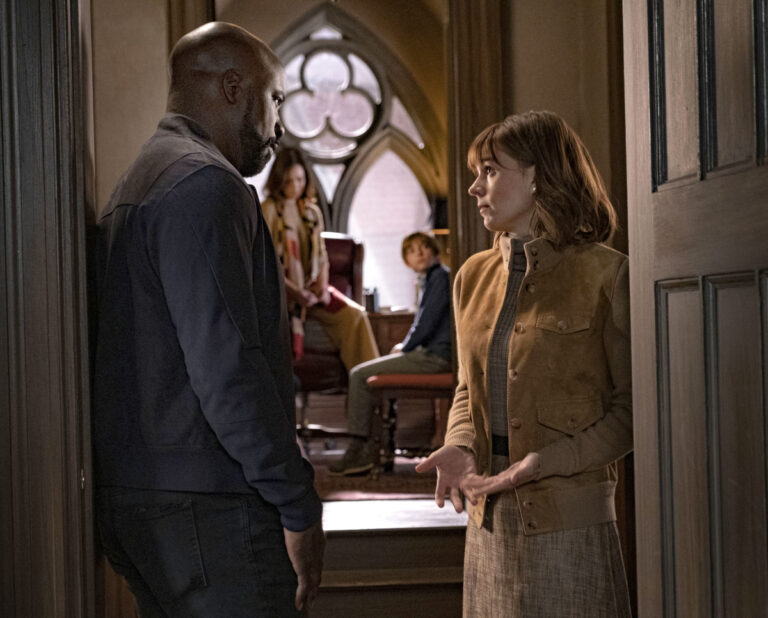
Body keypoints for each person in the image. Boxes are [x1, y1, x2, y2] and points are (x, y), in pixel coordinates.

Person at [92, 22, 325, 616]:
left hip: (139, 498)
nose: (279, 126)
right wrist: (297, 501)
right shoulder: (205, 185)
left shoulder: (140, 178)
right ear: (232, 87)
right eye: (275, 99)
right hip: (210, 508)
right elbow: (229, 370)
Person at [416, 110, 632, 616]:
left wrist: (543, 463)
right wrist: (460, 443)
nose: (475, 187)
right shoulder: (470, 277)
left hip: (570, 529)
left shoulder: (608, 275)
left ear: (538, 175)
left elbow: (631, 413)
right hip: (487, 522)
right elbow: (466, 389)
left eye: (490, 171)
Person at [328, 232, 452, 476]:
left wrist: (404, 347)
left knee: (358, 374)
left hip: (435, 357)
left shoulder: (440, 277)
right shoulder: (432, 278)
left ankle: (360, 450)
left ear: (434, 249)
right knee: (362, 373)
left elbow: (426, 325)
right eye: (412, 251)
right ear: (406, 260)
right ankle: (363, 448)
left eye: (424, 247)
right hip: (431, 354)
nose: (419, 253)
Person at [261, 147, 379, 368]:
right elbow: (267, 264)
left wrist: (322, 285)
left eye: (300, 180)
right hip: (284, 295)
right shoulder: (268, 210)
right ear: (278, 181)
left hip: (313, 291)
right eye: (288, 181)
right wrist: (296, 293)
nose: (295, 186)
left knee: (356, 315)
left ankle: (367, 378)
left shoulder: (312, 212)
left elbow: (321, 255)